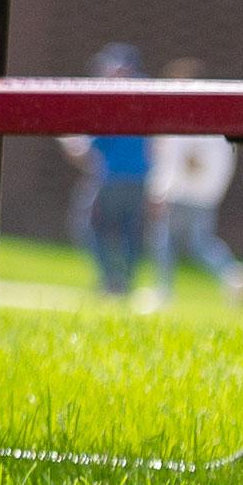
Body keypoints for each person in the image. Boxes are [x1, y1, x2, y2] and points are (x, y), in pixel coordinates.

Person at [148, 61, 243, 306]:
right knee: (199, 243)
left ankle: (163, 292)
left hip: (178, 192)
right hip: (206, 193)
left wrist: (158, 190)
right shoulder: (217, 120)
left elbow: (170, 157)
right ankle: (231, 273)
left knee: (164, 240)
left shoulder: (180, 115)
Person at [64, 41, 153, 309]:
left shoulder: (112, 97)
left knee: (86, 226)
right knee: (129, 234)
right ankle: (123, 284)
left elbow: (87, 151)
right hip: (140, 179)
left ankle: (110, 280)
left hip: (110, 178)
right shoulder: (149, 97)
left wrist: (68, 140)